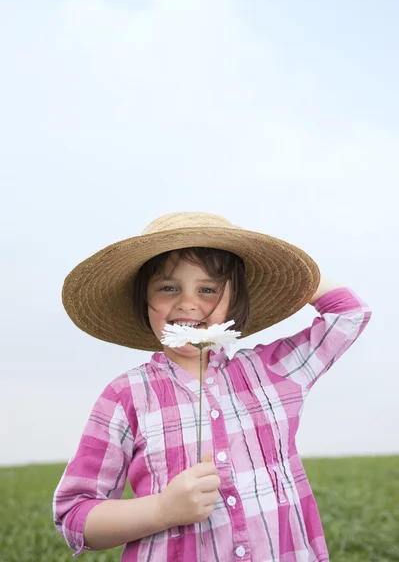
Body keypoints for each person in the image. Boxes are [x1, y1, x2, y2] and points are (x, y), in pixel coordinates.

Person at [53, 212, 372, 561]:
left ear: (234, 301)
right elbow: (75, 517)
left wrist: (291, 276)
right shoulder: (125, 395)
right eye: (168, 287)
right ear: (143, 300)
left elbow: (350, 313)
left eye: (208, 289)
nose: (188, 302)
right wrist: (163, 509)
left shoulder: (273, 371)